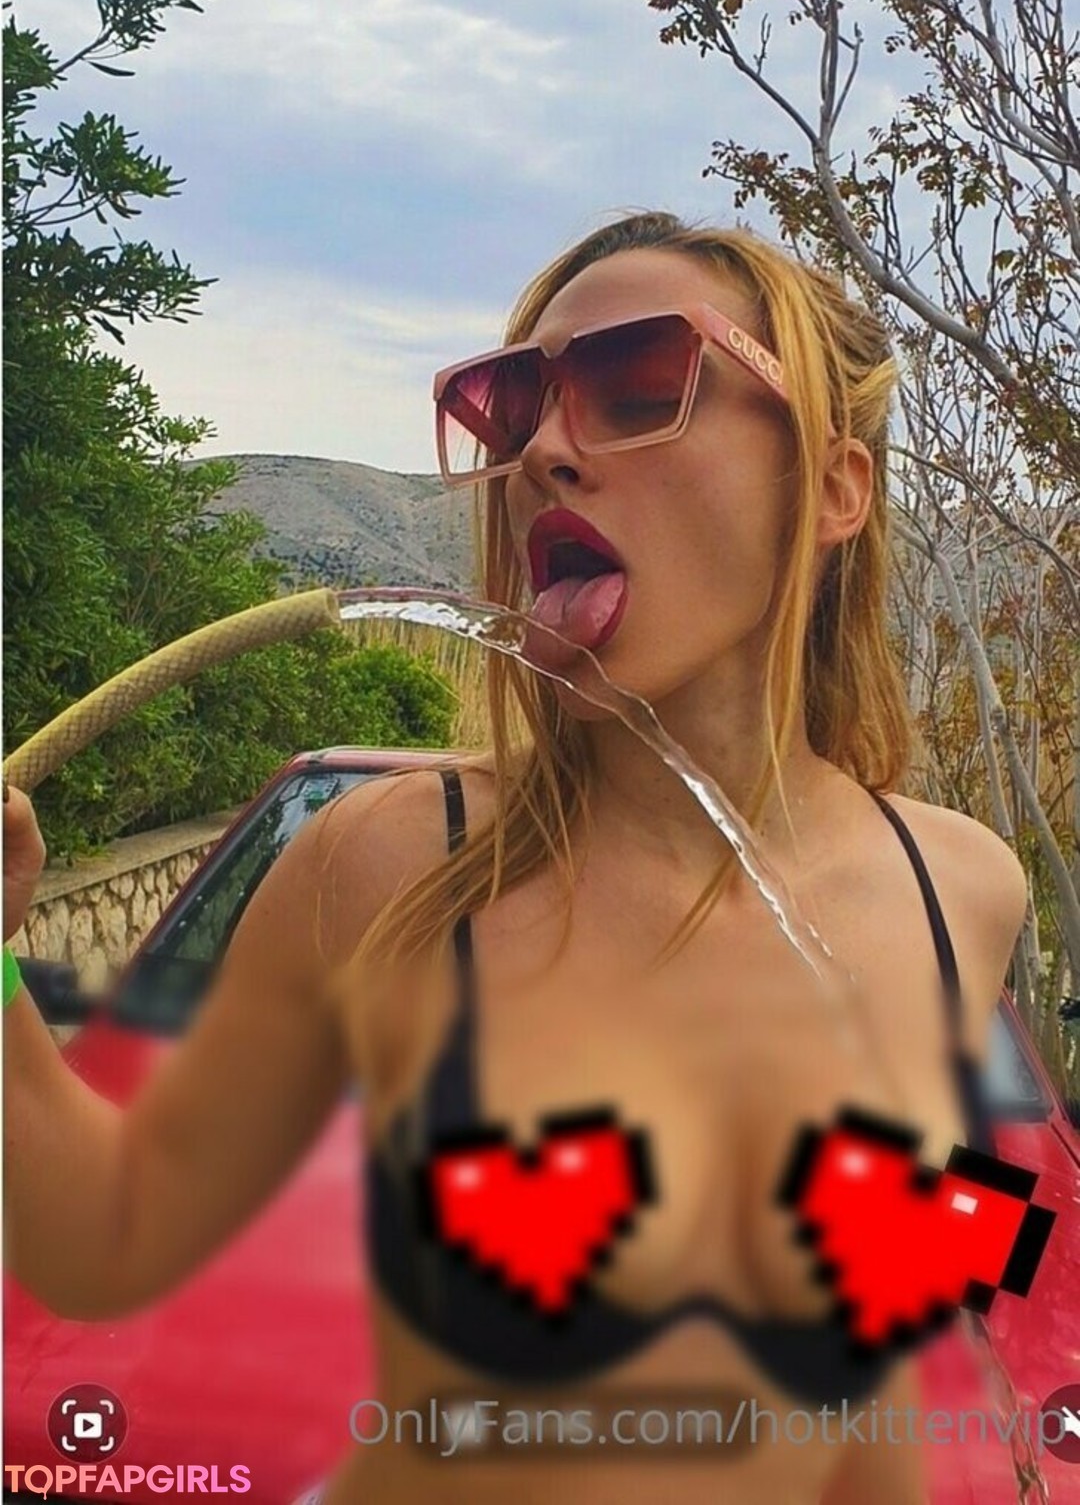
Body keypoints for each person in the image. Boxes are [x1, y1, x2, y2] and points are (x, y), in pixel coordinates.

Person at [3, 211, 1030, 1505]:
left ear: (833, 488)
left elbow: (875, 1369)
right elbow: (108, 1241)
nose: (543, 451)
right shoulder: (398, 867)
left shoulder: (963, 891)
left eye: (641, 385)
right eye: (513, 411)